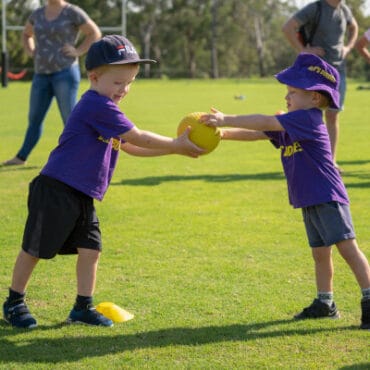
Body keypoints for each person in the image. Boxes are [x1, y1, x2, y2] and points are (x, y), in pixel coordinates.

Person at [2, 35, 204, 328]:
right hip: (57, 188)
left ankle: (82, 307)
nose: (125, 89)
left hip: (82, 194)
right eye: (118, 82)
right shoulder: (97, 105)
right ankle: (14, 302)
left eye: (130, 82)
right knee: (35, 249)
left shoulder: (107, 107)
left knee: (91, 250)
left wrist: (174, 150)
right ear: (94, 77)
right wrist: (175, 144)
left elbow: (130, 146)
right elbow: (138, 136)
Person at [200, 53, 370, 330]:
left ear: (315, 98)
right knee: (320, 253)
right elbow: (260, 133)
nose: (286, 97)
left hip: (327, 196)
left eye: (292, 91)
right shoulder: (293, 122)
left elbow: (265, 122)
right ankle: (325, 303)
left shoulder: (309, 119)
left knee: (348, 249)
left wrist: (226, 118)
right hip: (310, 198)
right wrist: (223, 133)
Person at [2, 0, 101, 166]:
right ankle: (21, 157)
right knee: (34, 118)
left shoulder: (72, 12)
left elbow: (94, 33)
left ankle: (79, 157)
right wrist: (31, 50)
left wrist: (78, 51)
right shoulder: (37, 14)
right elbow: (26, 34)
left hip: (65, 72)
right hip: (41, 75)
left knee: (70, 118)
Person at [282, 0, 358, 170]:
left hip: (338, 72)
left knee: (332, 115)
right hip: (315, 71)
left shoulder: (344, 9)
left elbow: (354, 27)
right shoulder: (316, 8)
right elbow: (288, 27)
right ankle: (303, 158)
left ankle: (330, 161)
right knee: (305, 114)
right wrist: (303, 50)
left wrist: (348, 47)